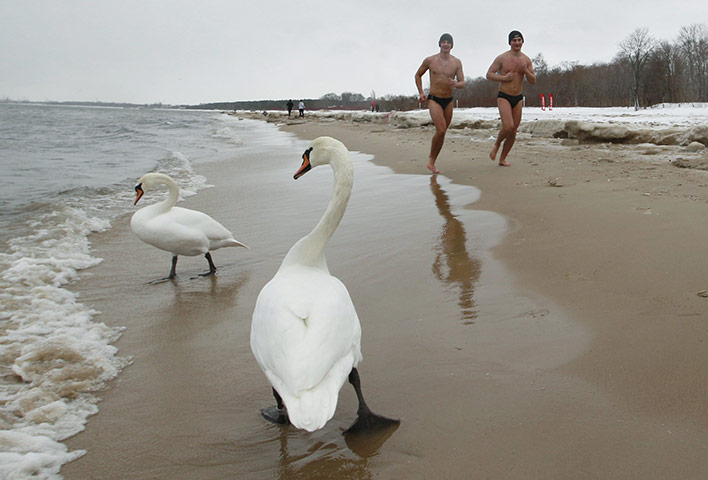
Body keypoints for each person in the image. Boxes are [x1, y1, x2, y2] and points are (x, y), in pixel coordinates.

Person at [415, 33, 465, 174]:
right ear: (439, 44)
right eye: (443, 42)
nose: (445, 44)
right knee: (441, 129)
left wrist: (456, 84)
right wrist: (421, 93)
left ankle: (433, 161)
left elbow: (462, 83)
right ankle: (431, 159)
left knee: (442, 133)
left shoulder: (456, 62)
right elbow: (418, 75)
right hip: (434, 99)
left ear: (451, 45)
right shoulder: (430, 60)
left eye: (448, 42)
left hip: (448, 100)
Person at [486, 30, 536, 166]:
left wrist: (526, 70)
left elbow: (533, 80)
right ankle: (496, 145)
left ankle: (502, 159)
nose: (517, 43)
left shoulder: (526, 60)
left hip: (518, 98)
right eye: (514, 40)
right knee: (508, 126)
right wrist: (504, 78)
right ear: (510, 43)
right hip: (504, 96)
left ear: (522, 42)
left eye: (519, 40)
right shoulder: (502, 58)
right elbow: (489, 74)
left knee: (514, 130)